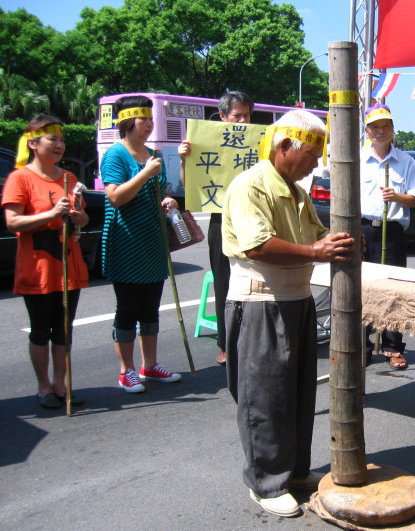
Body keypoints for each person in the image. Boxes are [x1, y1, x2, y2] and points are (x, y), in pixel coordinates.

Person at [222, 109, 355, 517]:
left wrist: (338, 241)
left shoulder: (296, 191)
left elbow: (317, 235)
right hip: (260, 302)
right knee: (266, 397)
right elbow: (258, 245)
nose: (317, 163)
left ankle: (294, 471)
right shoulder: (250, 186)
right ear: (284, 147)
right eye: (313, 154)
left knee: (297, 394)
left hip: (296, 300)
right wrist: (317, 252)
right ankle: (265, 481)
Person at [2, 116, 89, 409]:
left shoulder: (69, 178)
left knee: (64, 329)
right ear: (33, 143)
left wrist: (78, 218)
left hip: (68, 265)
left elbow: (83, 219)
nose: (59, 145)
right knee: (41, 329)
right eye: (52, 139)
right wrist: (51, 214)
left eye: (62, 140)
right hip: (38, 268)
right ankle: (44, 387)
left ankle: (61, 384)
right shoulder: (20, 178)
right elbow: (13, 221)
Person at [101, 95, 181, 393]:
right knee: (128, 308)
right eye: (143, 118)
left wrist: (167, 200)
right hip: (126, 242)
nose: (149, 123)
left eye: (150, 118)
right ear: (126, 121)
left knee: (150, 308)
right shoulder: (115, 155)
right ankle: (126, 370)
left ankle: (150, 365)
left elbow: (157, 192)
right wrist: (146, 172)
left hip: (152, 242)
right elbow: (115, 197)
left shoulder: (153, 152)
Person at [179, 90, 254, 366]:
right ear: (222, 116)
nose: (243, 121)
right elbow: (190, 186)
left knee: (255, 282)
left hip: (254, 221)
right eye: (237, 116)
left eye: (247, 115)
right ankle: (226, 344)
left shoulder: (258, 143)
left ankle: (251, 340)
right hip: (221, 222)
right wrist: (184, 160)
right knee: (225, 285)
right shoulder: (204, 143)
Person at [360, 104, 415, 370]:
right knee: (362, 289)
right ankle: (361, 346)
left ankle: (393, 347)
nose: (381, 131)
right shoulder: (357, 160)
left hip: (393, 230)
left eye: (386, 126)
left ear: (393, 130)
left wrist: (396, 197)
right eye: (375, 127)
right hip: (363, 229)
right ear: (367, 131)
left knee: (395, 290)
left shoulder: (406, 161)